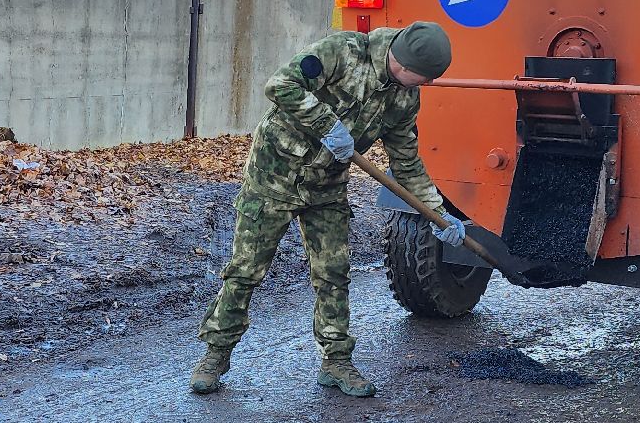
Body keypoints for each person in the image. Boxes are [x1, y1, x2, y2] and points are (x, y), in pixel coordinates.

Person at [191, 22, 465, 398]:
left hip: (327, 186)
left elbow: (406, 162)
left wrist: (437, 212)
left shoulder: (404, 97)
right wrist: (326, 124)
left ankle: (336, 361)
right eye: (423, 76)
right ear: (401, 59)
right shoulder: (343, 53)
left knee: (333, 274)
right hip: (274, 175)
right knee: (246, 270)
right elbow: (280, 85)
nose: (425, 85)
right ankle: (215, 355)